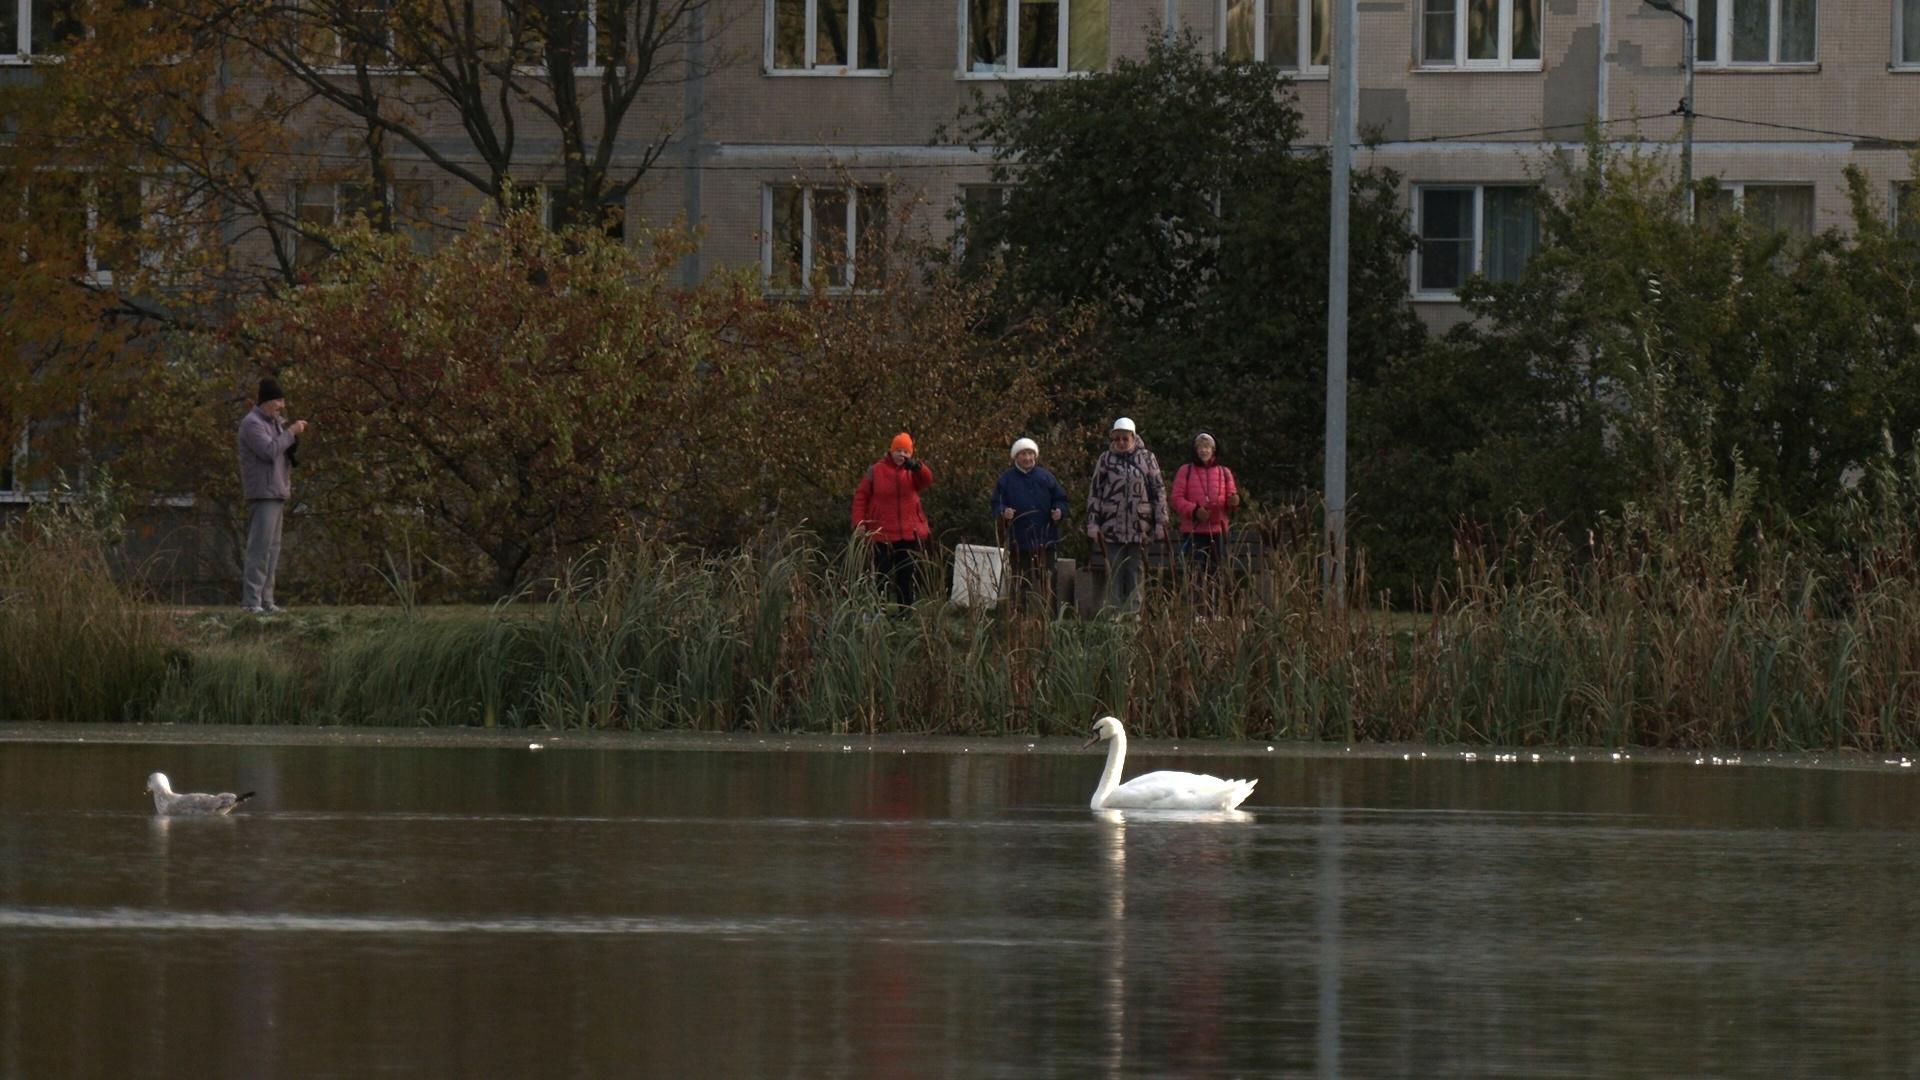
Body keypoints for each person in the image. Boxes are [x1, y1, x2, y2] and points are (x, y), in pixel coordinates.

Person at [236, 376, 307, 613]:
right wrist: (291, 432)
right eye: (279, 400)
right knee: (259, 548)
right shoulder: (252, 423)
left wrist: (290, 436)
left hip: (277, 491)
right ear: (267, 401)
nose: (282, 406)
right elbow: (268, 451)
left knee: (272, 550)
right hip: (263, 493)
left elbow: (282, 450)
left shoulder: (274, 423)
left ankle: (267, 601)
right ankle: (251, 602)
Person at [1085, 417, 1167, 616]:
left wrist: (1160, 521)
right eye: (1118, 437)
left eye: (1125, 438)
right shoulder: (1105, 458)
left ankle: (1134, 613)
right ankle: (1114, 613)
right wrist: (1092, 522)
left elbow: (1159, 490)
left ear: (1133, 437)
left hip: (1140, 525)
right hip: (1111, 524)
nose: (1121, 442)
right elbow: (1095, 491)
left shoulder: (1147, 457)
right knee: (1114, 570)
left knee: (1135, 570)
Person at [852, 432, 934, 606]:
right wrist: (860, 522)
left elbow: (928, 480)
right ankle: (878, 611)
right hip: (881, 532)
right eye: (898, 450)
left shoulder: (913, 473)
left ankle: (905, 612)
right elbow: (861, 497)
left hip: (909, 533)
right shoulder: (876, 471)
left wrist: (917, 467)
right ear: (891, 451)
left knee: (906, 575)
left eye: (906, 451)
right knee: (880, 575)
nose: (902, 455)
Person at [991, 437, 1070, 613]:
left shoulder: (1046, 477)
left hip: (1045, 538)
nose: (1027, 458)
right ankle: (1019, 617)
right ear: (1016, 457)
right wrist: (1004, 512)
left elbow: (1061, 499)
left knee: (1048, 579)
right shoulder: (1006, 479)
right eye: (1023, 454)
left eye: (1030, 453)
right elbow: (996, 503)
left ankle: (1049, 617)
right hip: (1019, 540)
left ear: (1035, 455)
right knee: (1020, 581)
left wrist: (1059, 510)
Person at [1170, 431, 1241, 589]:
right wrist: (1194, 511)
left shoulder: (1224, 472)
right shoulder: (1185, 471)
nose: (1204, 450)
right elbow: (1176, 498)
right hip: (1194, 531)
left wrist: (1234, 501)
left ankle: (1217, 611)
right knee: (1195, 573)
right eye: (1200, 447)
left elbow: (1232, 500)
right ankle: (1197, 612)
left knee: (1218, 574)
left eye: (1207, 446)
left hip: (1218, 532)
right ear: (1195, 450)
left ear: (1214, 449)